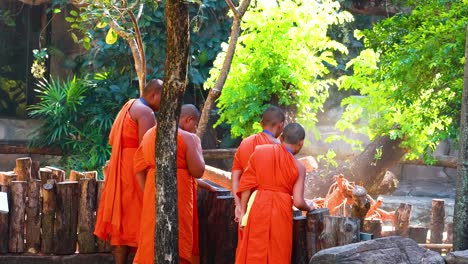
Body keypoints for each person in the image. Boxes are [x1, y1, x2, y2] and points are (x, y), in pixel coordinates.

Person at [94, 79, 163, 264]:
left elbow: (111, 139)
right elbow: (146, 148)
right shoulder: (146, 112)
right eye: (163, 99)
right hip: (135, 173)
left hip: (121, 170)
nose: (164, 105)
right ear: (154, 94)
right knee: (143, 219)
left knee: (123, 223)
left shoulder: (129, 105)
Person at [133, 106, 205, 264]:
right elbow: (198, 171)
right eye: (195, 124)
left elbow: (137, 167)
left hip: (153, 189)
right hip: (179, 191)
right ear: (189, 120)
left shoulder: (149, 134)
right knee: (179, 234)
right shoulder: (188, 138)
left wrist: (148, 193)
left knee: (151, 235)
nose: (195, 128)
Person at [235, 123, 315, 264]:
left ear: (282, 137)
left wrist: (242, 211)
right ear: (301, 143)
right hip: (281, 211)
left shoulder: (260, 151)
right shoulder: (299, 168)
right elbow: (298, 202)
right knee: (278, 252)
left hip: (258, 205)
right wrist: (310, 206)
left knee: (254, 249)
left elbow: (246, 185)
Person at [231, 105, 286, 222]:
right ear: (280, 125)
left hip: (245, 207)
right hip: (270, 206)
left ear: (261, 123)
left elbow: (235, 177)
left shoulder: (245, 143)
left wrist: (238, 205)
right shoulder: (279, 147)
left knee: (248, 238)